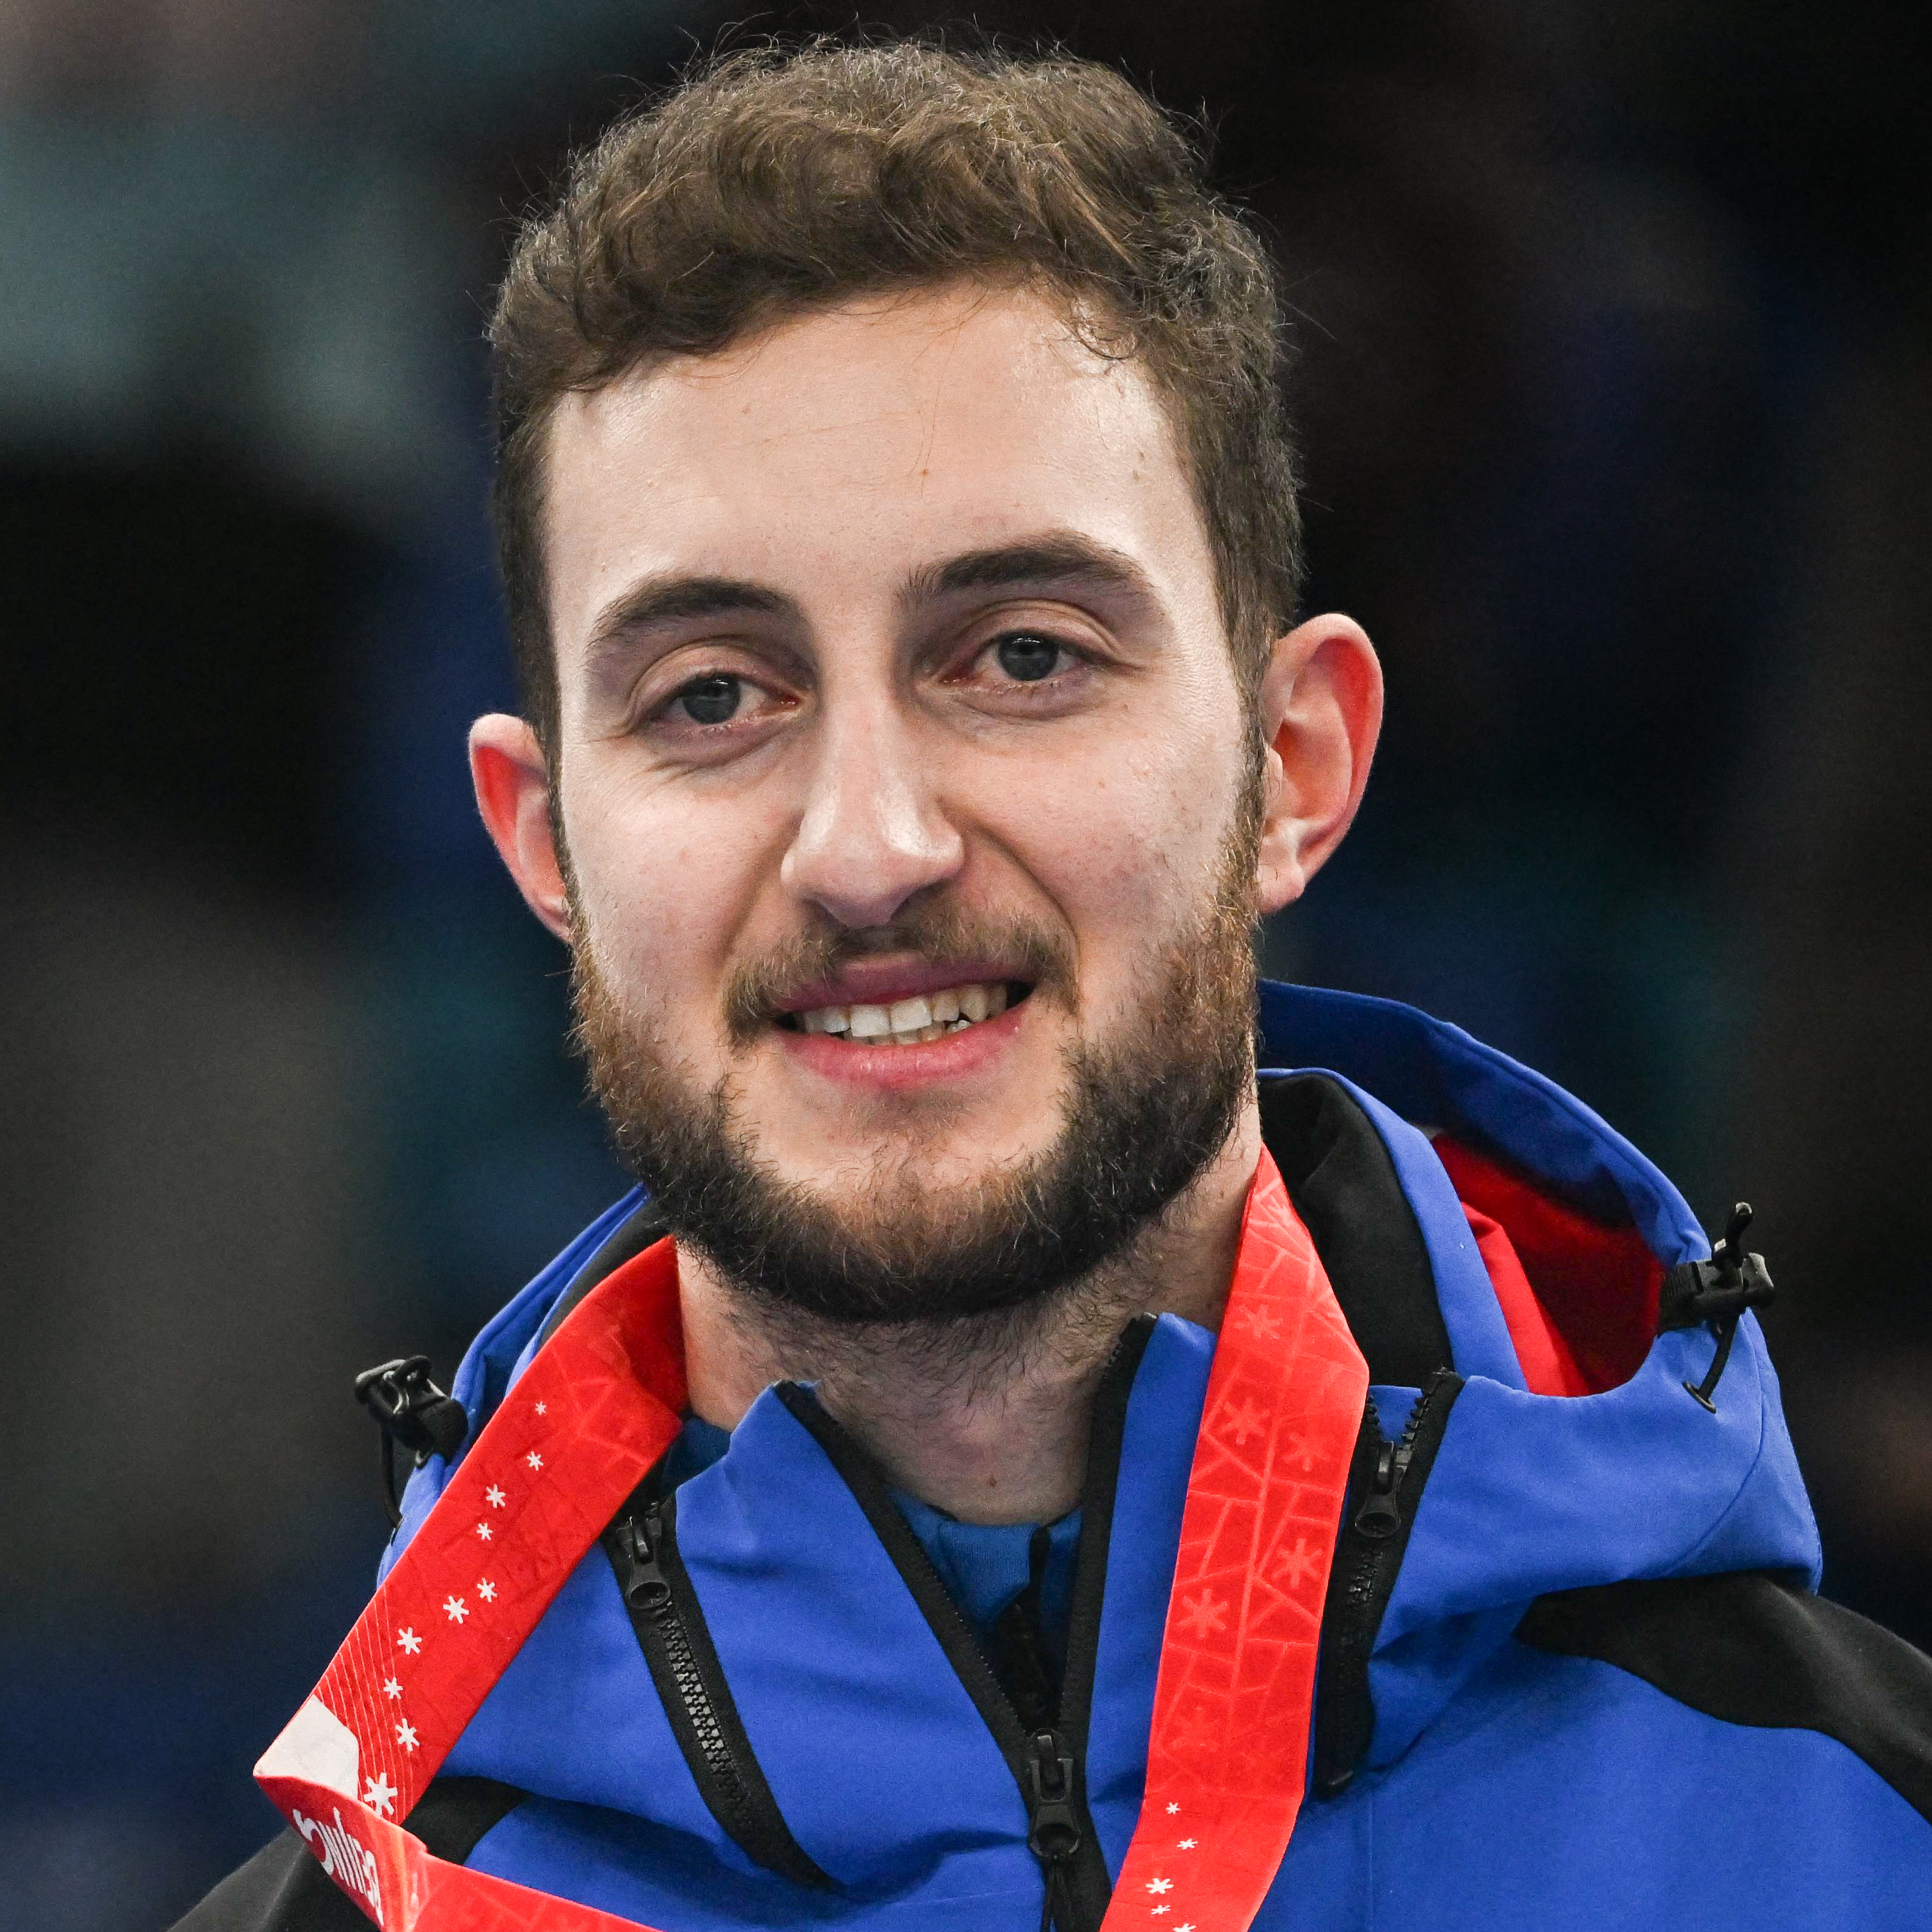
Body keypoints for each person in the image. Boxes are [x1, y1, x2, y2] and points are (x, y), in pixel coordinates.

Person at [179, 39, 1932, 1932]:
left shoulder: (1853, 1832)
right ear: (544, 849)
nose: (868, 843)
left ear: (1296, 765)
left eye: (1018, 656)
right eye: (711, 697)